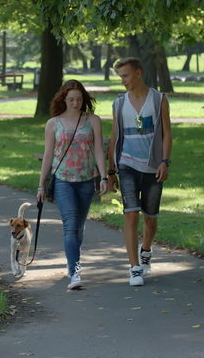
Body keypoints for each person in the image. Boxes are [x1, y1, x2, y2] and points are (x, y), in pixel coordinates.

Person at [107, 57, 172, 286]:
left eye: (125, 75)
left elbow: (166, 133)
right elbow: (115, 136)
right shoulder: (119, 103)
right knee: (131, 213)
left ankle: (146, 250)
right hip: (127, 165)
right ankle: (134, 267)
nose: (122, 81)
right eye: (120, 77)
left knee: (151, 219)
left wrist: (165, 161)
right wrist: (111, 169)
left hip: (153, 166)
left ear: (138, 73)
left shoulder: (158, 99)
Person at [37, 80, 108, 290]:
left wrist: (104, 177)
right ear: (64, 100)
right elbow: (48, 155)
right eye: (71, 99)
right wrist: (41, 185)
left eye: (78, 99)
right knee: (70, 225)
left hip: (86, 179)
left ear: (83, 99)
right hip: (63, 180)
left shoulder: (93, 120)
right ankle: (75, 272)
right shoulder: (53, 123)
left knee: (78, 227)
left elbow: (98, 151)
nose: (75, 103)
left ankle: (72, 263)